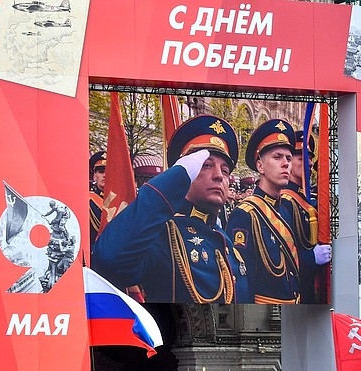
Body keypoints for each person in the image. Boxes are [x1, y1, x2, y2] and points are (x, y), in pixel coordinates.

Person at [92, 115, 251, 304]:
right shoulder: (163, 235)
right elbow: (110, 259)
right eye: (205, 166)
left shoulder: (224, 240)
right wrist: (177, 178)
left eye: (225, 171)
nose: (218, 175)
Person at [226, 119, 302, 304]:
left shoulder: (285, 210)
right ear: (260, 166)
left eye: (289, 158)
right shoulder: (245, 214)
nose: (286, 164)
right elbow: (242, 281)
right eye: (277, 157)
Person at [281, 129, 331, 303]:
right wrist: (311, 257)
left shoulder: (303, 198)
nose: (309, 163)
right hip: (296, 293)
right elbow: (282, 256)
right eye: (302, 159)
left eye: (310, 158)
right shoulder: (284, 201)